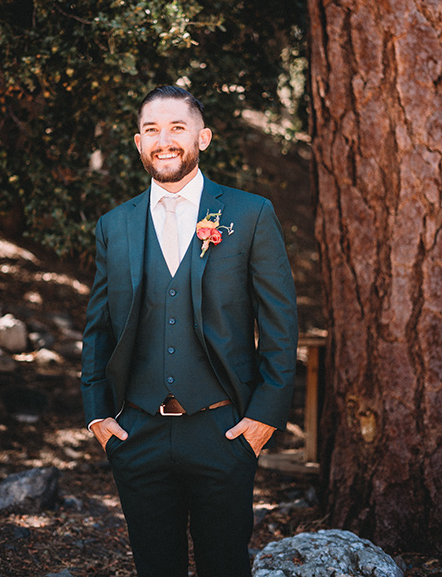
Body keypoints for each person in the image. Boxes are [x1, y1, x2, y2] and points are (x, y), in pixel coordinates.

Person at [81, 85, 298, 577]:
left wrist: (263, 418)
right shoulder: (114, 225)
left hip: (223, 430)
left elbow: (281, 324)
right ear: (138, 143)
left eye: (178, 127)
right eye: (152, 130)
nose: (165, 140)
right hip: (137, 433)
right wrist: (98, 419)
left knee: (225, 565)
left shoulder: (250, 213)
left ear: (204, 137)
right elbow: (98, 330)